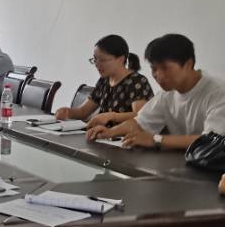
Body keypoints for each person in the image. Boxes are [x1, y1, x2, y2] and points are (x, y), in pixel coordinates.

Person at [87, 34, 225, 150]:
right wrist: (110, 132)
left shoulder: (218, 92)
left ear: (188, 64)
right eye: (154, 69)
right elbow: (140, 123)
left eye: (165, 68)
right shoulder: (167, 94)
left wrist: (156, 140)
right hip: (187, 161)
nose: (158, 75)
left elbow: (211, 141)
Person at [55, 35, 154, 128]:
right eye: (95, 59)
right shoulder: (104, 80)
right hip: (102, 135)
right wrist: (68, 112)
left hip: (125, 137)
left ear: (120, 59)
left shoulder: (137, 81)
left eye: (102, 60)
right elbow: (83, 111)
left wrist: (113, 116)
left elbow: (140, 116)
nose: (97, 64)